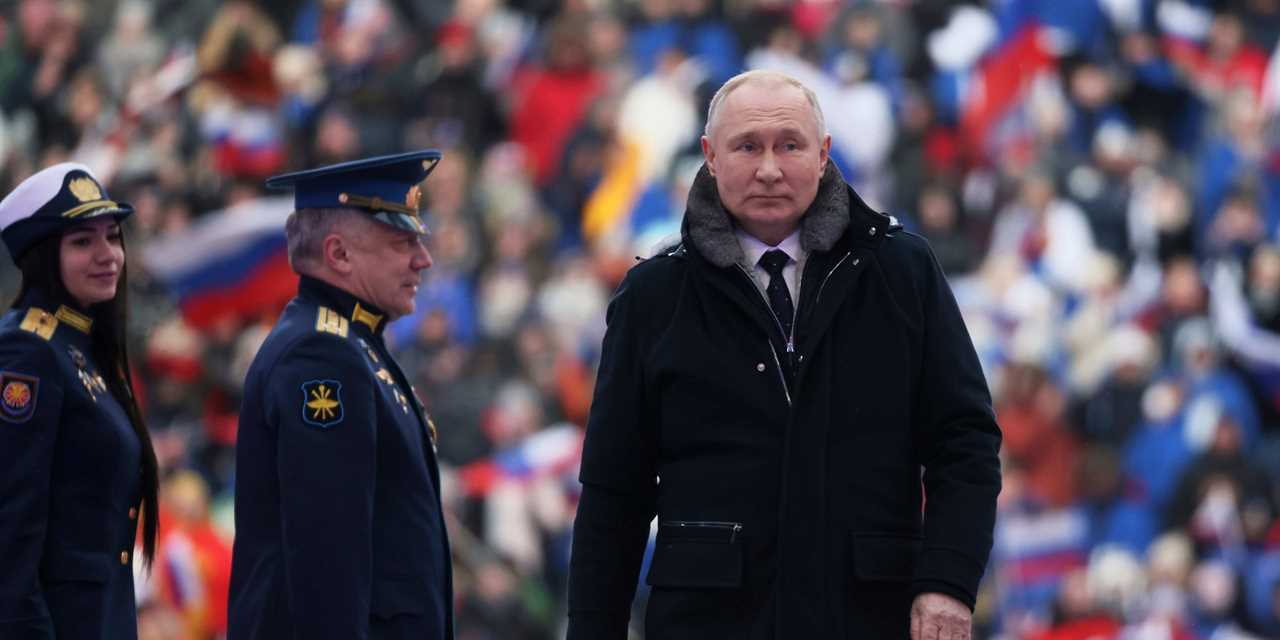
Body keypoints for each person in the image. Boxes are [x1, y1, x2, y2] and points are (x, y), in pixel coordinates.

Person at [566, 70, 1002, 639]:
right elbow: (613, 490)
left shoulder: (902, 273)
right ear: (710, 156)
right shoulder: (653, 297)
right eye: (747, 146)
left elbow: (965, 441)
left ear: (823, 154)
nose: (769, 168)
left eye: (789, 145)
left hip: (868, 617)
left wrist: (948, 581)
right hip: (710, 623)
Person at [227, 150, 453, 639]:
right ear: (339, 255)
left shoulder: (352, 344)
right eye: (402, 241)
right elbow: (326, 558)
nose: (424, 258)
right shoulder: (321, 354)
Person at [0, 163, 161, 638]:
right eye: (82, 242)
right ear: (42, 256)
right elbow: (10, 533)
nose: (107, 255)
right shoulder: (27, 352)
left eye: (112, 237)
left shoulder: (82, 346)